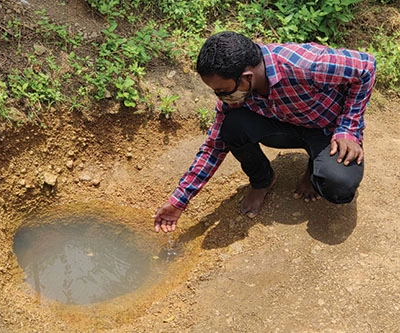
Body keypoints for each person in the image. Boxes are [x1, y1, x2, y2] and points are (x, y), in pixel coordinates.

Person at [153, 31, 376, 233]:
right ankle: (263, 180)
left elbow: (366, 66)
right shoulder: (237, 93)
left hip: (327, 129)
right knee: (231, 126)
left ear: (247, 77)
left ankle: (314, 168)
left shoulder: (306, 65)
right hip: (285, 124)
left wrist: (348, 127)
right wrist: (179, 201)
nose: (220, 96)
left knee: (339, 186)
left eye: (222, 90)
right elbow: (214, 147)